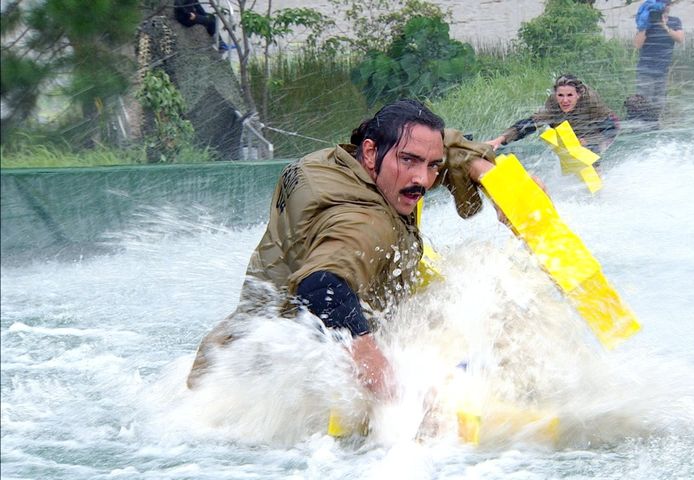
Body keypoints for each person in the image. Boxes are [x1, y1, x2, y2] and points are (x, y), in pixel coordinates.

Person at [186, 99, 498, 400]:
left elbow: (422, 145)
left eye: (433, 166)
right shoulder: (364, 222)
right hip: (253, 392)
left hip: (220, 362)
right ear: (371, 153)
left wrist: (482, 169)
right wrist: (384, 378)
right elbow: (322, 286)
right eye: (409, 161)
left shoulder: (333, 164)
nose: (422, 179)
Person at [485, 73, 620, 155]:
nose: (565, 100)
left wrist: (588, 141)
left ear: (578, 95)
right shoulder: (553, 104)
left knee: (590, 149)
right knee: (543, 123)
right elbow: (530, 123)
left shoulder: (591, 102)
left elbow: (611, 128)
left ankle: (599, 189)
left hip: (605, 127)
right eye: (560, 95)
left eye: (569, 95)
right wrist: (500, 140)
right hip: (572, 127)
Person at [633, 0, 685, 122]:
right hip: (645, 71)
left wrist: (664, 26)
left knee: (658, 105)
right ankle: (641, 127)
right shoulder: (648, 21)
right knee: (643, 104)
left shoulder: (674, 21)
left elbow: (680, 38)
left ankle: (654, 128)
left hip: (662, 71)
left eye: (668, 4)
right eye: (664, 4)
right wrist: (644, 27)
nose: (666, 7)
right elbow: (637, 45)